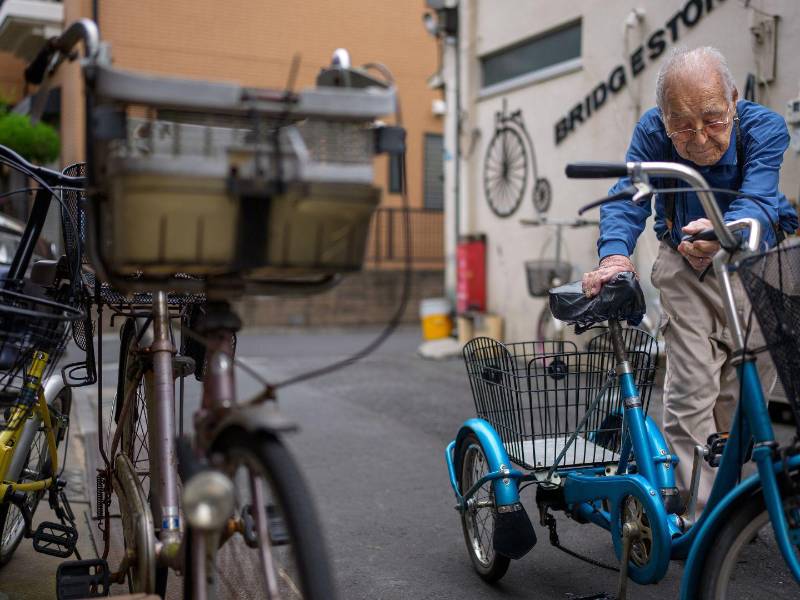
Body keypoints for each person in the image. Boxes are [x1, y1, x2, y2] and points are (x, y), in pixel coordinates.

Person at [581, 46, 798, 512]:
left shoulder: (765, 129)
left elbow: (759, 199)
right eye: (682, 124)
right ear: (663, 119)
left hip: (753, 264)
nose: (699, 137)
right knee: (692, 392)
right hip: (686, 263)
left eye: (713, 119)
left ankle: (731, 509)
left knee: (743, 403)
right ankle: (694, 516)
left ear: (734, 99)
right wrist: (615, 257)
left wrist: (726, 233)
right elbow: (628, 198)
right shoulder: (652, 133)